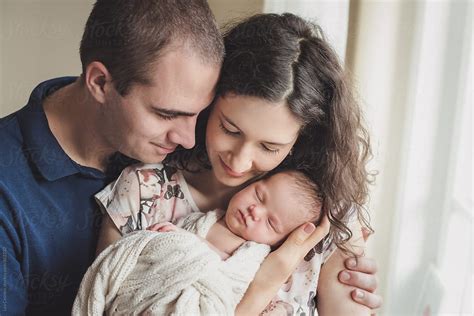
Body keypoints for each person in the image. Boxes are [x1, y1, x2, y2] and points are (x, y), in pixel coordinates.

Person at [0, 0, 380, 314]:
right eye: (230, 129)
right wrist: (267, 280)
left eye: (270, 147)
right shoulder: (142, 187)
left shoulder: (324, 215)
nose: (240, 161)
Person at [73, 169, 327, 315]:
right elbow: (155, 254)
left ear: (279, 241)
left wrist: (188, 245)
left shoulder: (255, 257)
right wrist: (160, 240)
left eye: (270, 223)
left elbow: (230, 287)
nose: (254, 212)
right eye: (259, 195)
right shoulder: (200, 220)